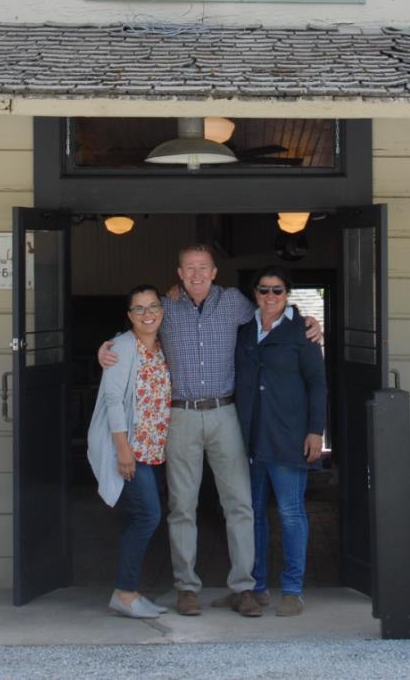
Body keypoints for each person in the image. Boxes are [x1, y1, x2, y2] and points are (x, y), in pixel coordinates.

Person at [98, 243, 321, 617]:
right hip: (180, 416)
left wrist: (306, 321)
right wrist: (102, 349)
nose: (197, 274)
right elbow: (137, 329)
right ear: (180, 275)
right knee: (181, 506)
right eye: (190, 269)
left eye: (204, 268)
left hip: (225, 413)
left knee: (239, 503)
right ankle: (187, 587)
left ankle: (244, 587)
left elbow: (273, 309)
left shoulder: (234, 302)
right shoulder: (165, 308)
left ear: (215, 272)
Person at [233, 266, 326, 617]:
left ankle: (292, 589)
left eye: (277, 291)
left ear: (287, 294)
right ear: (254, 293)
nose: (270, 297)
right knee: (252, 514)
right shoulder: (243, 330)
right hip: (250, 436)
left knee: (290, 513)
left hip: (289, 437)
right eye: (263, 290)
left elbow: (317, 383)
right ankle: (256, 586)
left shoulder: (302, 332)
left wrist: (316, 430)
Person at [85, 284, 172, 618]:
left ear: (162, 312)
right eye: (139, 309)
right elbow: (112, 400)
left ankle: (129, 591)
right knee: (147, 515)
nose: (147, 314)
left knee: (143, 515)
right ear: (129, 316)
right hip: (131, 449)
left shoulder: (163, 347)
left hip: (152, 449)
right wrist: (123, 451)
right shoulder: (121, 347)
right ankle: (124, 593)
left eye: (153, 307)